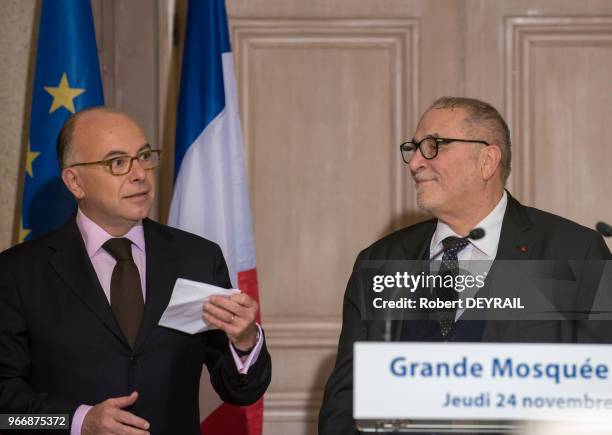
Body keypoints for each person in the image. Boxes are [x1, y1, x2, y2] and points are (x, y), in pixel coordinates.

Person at [318, 96, 612, 434]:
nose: (415, 163)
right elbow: (345, 403)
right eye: (413, 148)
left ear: (487, 160)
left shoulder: (573, 252)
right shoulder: (380, 261)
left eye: (433, 146)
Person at [0, 107, 271, 435]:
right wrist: (78, 421)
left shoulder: (198, 258)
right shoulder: (17, 273)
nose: (140, 173)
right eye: (117, 163)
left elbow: (239, 390)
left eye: (144, 156)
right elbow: (7, 412)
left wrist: (245, 341)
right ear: (75, 182)